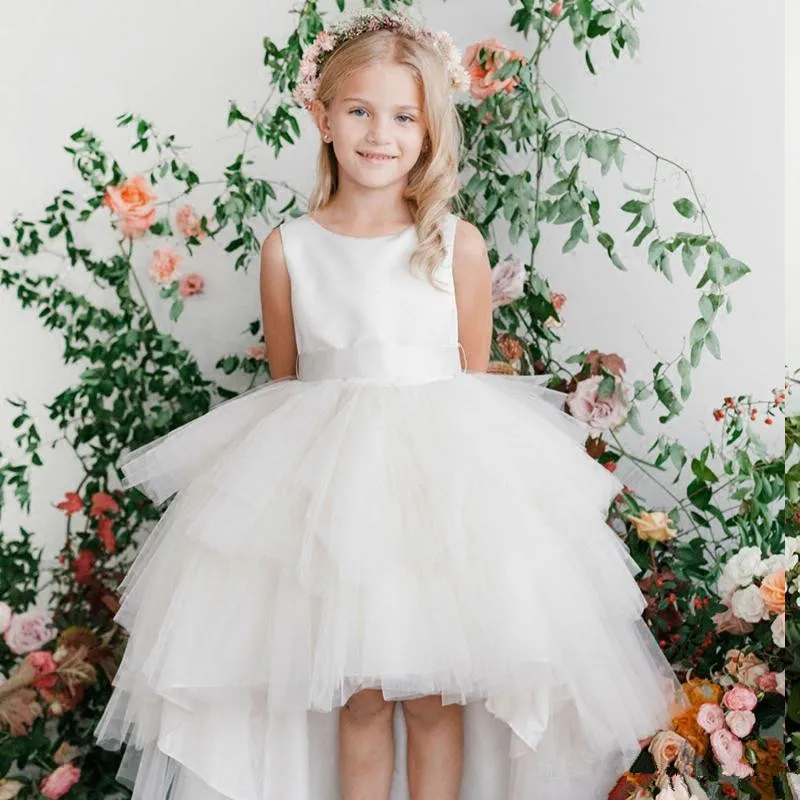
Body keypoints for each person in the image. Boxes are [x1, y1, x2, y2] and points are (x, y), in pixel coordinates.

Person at [93, 8, 684, 800]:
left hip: (440, 503)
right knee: (359, 698)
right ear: (323, 118)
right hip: (330, 504)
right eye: (360, 111)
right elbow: (289, 382)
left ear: (430, 128)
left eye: (405, 116)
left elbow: (471, 377)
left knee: (437, 697)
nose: (381, 134)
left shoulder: (455, 243)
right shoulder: (289, 249)